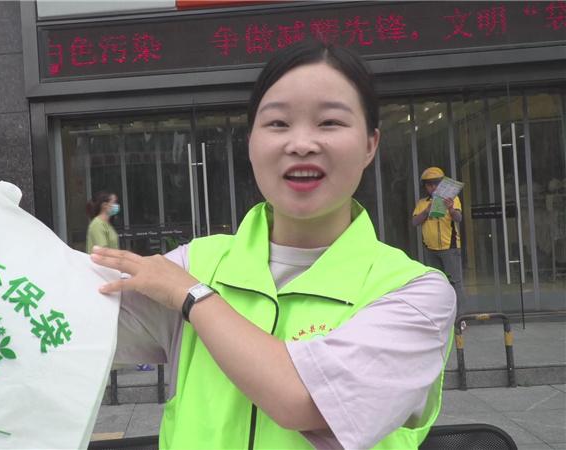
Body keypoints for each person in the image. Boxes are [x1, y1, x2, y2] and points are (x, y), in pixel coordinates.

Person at [91, 41, 456, 449]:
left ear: (370, 144)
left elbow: (301, 399)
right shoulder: (197, 262)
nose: (301, 144)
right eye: (278, 123)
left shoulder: (414, 294)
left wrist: (192, 297)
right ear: (251, 142)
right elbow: (67, 320)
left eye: (329, 122)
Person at [86, 192, 154, 371]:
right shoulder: (97, 225)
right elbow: (102, 251)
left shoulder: (105, 224)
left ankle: (131, 357)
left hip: (111, 275)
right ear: (105, 205)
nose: (116, 206)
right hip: (104, 276)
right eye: (113, 202)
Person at [412, 166, 465, 326]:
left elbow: (458, 218)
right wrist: (426, 211)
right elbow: (414, 222)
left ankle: (459, 319)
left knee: (455, 283)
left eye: (436, 184)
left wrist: (450, 209)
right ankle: (440, 319)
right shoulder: (422, 203)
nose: (433, 187)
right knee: (436, 284)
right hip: (430, 249)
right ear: (425, 187)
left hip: (450, 248)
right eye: (429, 184)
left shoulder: (453, 199)